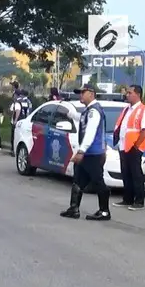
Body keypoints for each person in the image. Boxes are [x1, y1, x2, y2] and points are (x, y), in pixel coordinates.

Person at [59, 84, 111, 220]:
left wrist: (81, 151)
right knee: (78, 180)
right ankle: (74, 209)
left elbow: (90, 132)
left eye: (83, 92)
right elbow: (80, 119)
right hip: (87, 153)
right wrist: (69, 113)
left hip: (93, 153)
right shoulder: (87, 111)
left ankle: (104, 211)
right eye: (80, 93)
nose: (80, 95)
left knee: (98, 181)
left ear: (91, 94)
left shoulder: (94, 111)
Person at [112, 84, 145, 210]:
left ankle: (139, 201)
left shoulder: (143, 110)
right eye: (127, 93)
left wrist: (136, 145)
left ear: (138, 94)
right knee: (126, 173)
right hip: (124, 145)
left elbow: (144, 130)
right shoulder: (127, 109)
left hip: (134, 147)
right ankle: (127, 199)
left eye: (130, 93)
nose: (127, 95)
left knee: (136, 174)